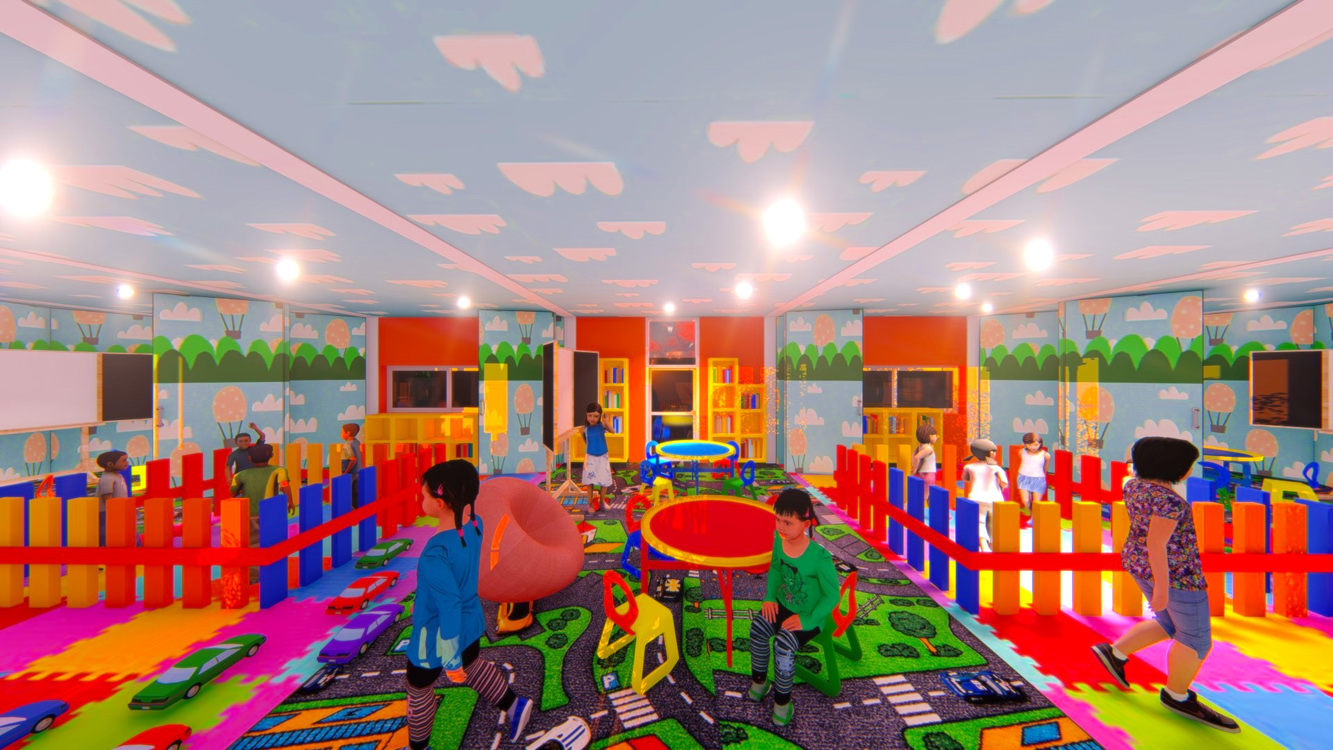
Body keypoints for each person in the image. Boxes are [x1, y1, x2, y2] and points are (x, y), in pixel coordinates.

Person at [1092, 437, 1239, 733]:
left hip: (1139, 563)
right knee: (1196, 638)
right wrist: (1162, 586)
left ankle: (1115, 653)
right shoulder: (1168, 501)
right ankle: (1177, 695)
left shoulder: (1133, 485)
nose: (1190, 469)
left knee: (1169, 623)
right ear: (1173, 466)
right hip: (1176, 574)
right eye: (1189, 465)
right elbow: (1156, 543)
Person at [406, 460, 533, 749]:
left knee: (418, 687)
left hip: (436, 636)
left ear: (440, 503)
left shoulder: (434, 553)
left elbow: (448, 604)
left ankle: (418, 746)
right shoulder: (475, 526)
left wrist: (450, 658)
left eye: (425, 495)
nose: (422, 500)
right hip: (470, 621)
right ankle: (515, 705)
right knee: (473, 665)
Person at [747, 488, 840, 728]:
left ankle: (782, 703)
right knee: (757, 628)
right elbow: (776, 568)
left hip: (810, 616)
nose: (781, 526)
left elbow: (832, 596)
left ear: (806, 524)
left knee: (782, 645)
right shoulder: (780, 539)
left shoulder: (820, 558)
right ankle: (760, 682)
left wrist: (808, 619)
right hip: (782, 604)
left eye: (787, 522)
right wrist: (769, 597)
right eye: (778, 519)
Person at [230, 444, 292, 583]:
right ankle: (273, 574)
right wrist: (290, 502)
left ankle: (253, 577)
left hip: (250, 514)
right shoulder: (278, 470)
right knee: (274, 543)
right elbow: (285, 486)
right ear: (271, 455)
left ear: (249, 457)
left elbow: (233, 492)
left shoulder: (240, 475)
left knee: (252, 545)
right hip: (270, 514)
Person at [560, 403, 616, 510]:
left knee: (605, 480)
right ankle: (589, 503)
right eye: (590, 415)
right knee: (590, 481)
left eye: (596, 416)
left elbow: (613, 431)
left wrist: (606, 421)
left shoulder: (602, 425)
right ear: (586, 414)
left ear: (600, 416)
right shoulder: (583, 428)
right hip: (590, 457)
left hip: (603, 456)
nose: (593, 419)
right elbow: (586, 441)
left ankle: (602, 501)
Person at [962, 439, 1007, 551]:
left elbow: (965, 478)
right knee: (993, 523)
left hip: (976, 497)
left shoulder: (969, 467)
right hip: (994, 499)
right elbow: (1004, 482)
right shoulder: (996, 468)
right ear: (991, 453)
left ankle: (983, 544)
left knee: (980, 522)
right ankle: (992, 545)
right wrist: (1001, 485)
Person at [95, 450, 130, 547]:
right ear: (110, 464)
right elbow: (107, 497)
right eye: (123, 460)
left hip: (117, 511)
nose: (127, 463)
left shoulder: (116, 476)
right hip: (107, 512)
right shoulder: (107, 478)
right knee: (106, 534)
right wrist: (117, 510)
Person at [1016, 432, 1049, 523]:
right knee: (1025, 500)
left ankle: (1034, 518)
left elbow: (1045, 468)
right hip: (1023, 477)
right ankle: (1032, 514)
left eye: (1035, 445)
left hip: (1038, 479)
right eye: (1029, 445)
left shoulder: (1045, 455)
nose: (1033, 447)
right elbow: (1022, 461)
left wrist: (1041, 474)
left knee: (1036, 502)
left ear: (1040, 444)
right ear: (1025, 444)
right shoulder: (1022, 452)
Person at [341, 422, 362, 507]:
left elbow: (353, 460)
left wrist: (346, 472)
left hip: (350, 472)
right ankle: (356, 507)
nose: (341, 434)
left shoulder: (347, 445)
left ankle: (349, 508)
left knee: (346, 491)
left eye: (342, 431)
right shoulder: (356, 442)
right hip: (357, 471)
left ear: (348, 433)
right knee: (355, 492)